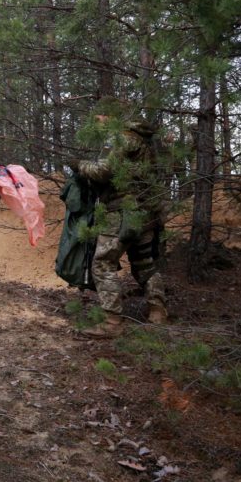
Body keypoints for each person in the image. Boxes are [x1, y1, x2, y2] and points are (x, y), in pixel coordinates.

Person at [69, 104, 169, 338]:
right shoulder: (145, 140)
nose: (96, 121)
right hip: (148, 211)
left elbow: (103, 172)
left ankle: (112, 321)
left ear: (110, 116)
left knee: (102, 263)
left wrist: (79, 165)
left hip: (121, 212)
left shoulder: (119, 137)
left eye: (99, 116)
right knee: (145, 263)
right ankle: (158, 312)